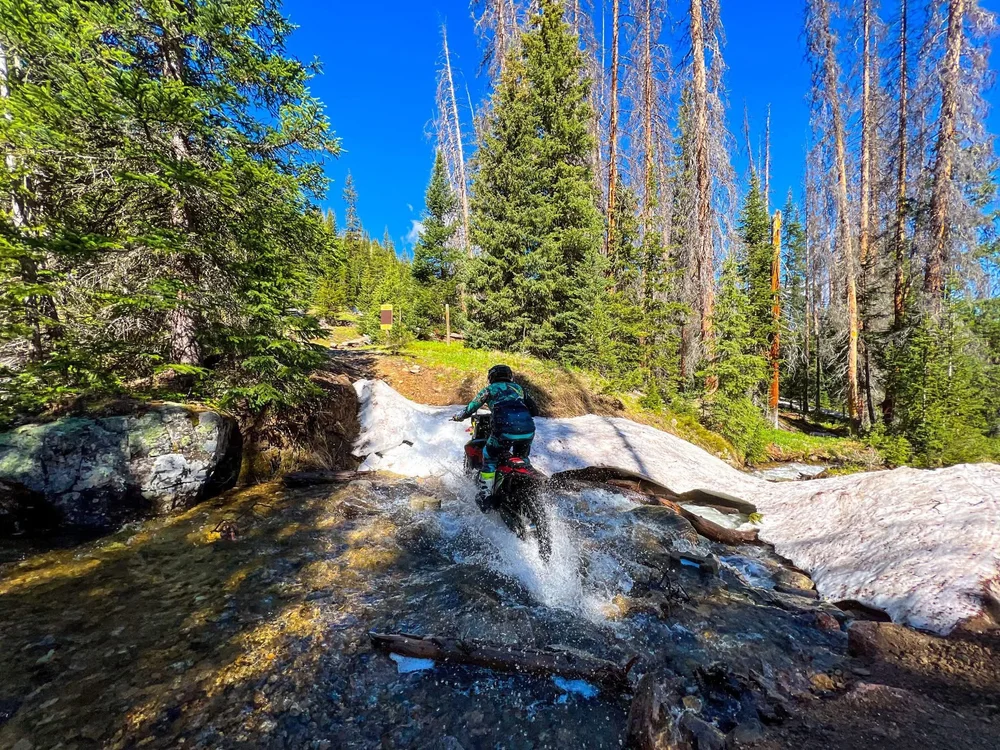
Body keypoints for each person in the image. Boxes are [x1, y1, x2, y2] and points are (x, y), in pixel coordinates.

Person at [452, 364, 539, 504]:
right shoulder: (519, 389)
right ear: (510, 376)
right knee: (522, 458)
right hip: (528, 430)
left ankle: (485, 495)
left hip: (504, 430)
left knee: (489, 456)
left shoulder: (489, 390)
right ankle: (530, 484)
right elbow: (534, 411)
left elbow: (471, 408)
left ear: (491, 377)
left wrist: (458, 416)